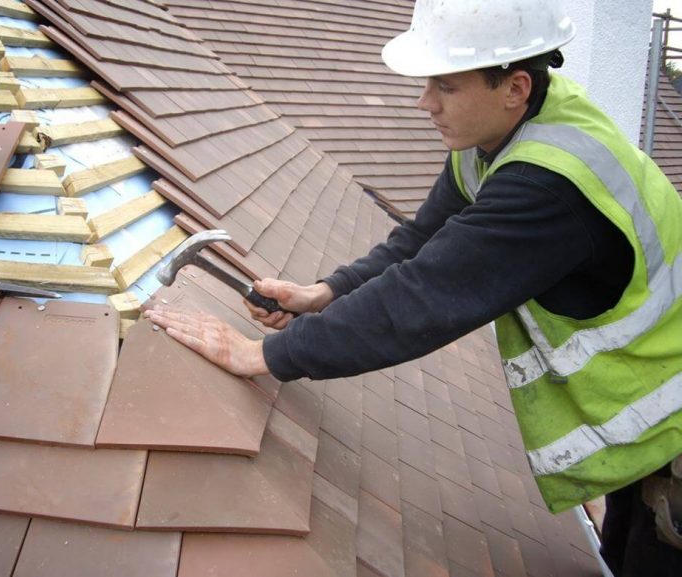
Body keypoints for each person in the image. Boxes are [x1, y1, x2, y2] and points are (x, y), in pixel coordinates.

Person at [146, 1, 682, 574]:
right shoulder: (509, 134)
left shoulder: (549, 185)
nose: (425, 103)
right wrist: (325, 292)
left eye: (445, 86)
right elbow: (422, 242)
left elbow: (423, 297)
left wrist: (263, 355)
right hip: (652, 442)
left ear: (515, 86)